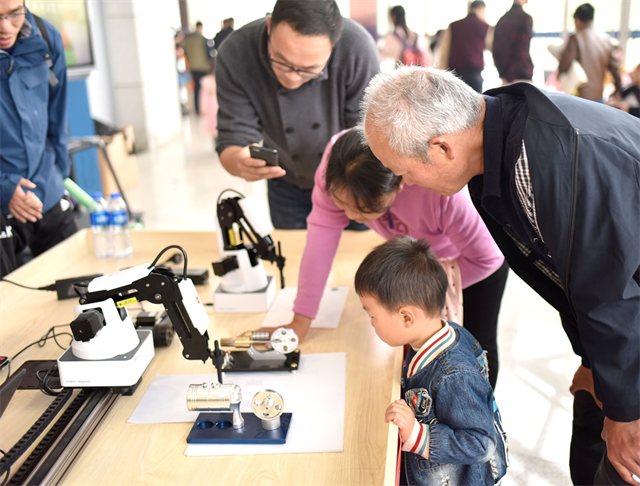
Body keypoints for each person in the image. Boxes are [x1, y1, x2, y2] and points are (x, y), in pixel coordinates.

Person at [361, 65, 640, 486]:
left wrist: (626, 408)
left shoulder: (552, 161)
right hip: (617, 334)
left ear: (441, 148)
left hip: (629, 321)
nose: (406, 184)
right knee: (588, 432)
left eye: (403, 172)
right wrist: (592, 361)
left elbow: (611, 290)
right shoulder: (494, 145)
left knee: (619, 467)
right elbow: (567, 276)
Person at [280, 128, 507, 389]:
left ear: (400, 181)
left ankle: (481, 422)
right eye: (343, 204)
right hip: (418, 263)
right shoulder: (339, 164)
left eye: (366, 209)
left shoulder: (438, 187)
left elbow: (487, 258)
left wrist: (418, 287)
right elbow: (320, 239)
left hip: (476, 260)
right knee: (421, 349)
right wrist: (301, 318)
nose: (351, 215)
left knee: (475, 346)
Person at [355, 236, 508, 485]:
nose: (370, 323)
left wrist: (417, 434)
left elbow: (481, 444)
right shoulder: (438, 333)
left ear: (406, 317)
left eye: (372, 315)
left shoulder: (454, 375)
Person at [215, 0, 379, 229]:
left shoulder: (357, 48)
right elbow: (232, 138)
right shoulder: (236, 52)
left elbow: (367, 134)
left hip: (351, 180)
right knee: (293, 257)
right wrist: (239, 161)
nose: (292, 77)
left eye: (309, 69)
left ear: (334, 45)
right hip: (286, 183)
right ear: (270, 26)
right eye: (281, 61)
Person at [0, 0, 78, 261]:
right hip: (3, 206)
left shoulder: (46, 37)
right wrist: (4, 188)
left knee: (78, 287)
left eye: (14, 14)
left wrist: (58, 173)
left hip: (48, 191)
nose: (5, 27)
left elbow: (58, 112)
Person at [558, 3, 621, 102]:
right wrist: (618, 89)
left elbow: (565, 64)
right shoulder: (606, 40)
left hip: (579, 98)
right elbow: (616, 70)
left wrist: (560, 74)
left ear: (577, 20)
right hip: (599, 98)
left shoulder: (576, 38)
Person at [437, 0, 491, 92]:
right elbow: (489, 46)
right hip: (474, 73)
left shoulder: (453, 25)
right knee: (476, 104)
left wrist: (442, 72)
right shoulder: (484, 26)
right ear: (481, 9)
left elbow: (444, 50)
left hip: (455, 73)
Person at [492, 0, 534, 85]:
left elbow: (496, 48)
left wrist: (502, 73)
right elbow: (522, 48)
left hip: (505, 75)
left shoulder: (502, 20)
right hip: (521, 73)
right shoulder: (526, 19)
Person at [378, 5, 431, 71]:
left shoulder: (392, 38)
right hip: (419, 76)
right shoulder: (417, 36)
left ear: (393, 17)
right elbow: (428, 58)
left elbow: (381, 59)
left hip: (403, 78)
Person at [182, 21, 211, 114]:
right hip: (203, 67)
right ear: (200, 27)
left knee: (196, 88)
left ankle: (197, 109)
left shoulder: (188, 40)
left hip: (193, 67)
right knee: (204, 88)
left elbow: (185, 52)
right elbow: (208, 53)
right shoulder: (203, 39)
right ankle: (204, 108)